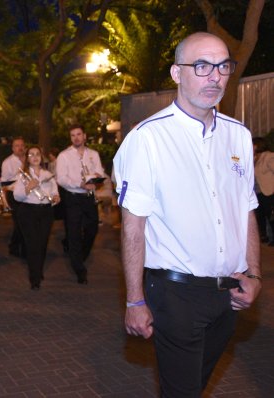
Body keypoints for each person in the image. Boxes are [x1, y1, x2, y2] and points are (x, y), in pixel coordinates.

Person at [113, 32, 262, 397]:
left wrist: (255, 274)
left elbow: (246, 208)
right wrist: (134, 301)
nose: (215, 76)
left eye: (223, 66)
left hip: (228, 292)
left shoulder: (238, 135)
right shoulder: (147, 138)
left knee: (192, 387)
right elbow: (134, 224)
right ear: (177, 73)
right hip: (175, 293)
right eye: (201, 66)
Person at [56, 125, 105, 284]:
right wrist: (80, 184)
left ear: (84, 136)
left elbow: (100, 173)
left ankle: (78, 256)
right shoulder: (64, 156)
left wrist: (95, 180)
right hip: (73, 198)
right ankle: (79, 270)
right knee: (74, 233)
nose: (76, 138)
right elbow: (61, 179)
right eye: (72, 135)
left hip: (89, 197)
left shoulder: (94, 154)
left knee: (92, 229)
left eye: (78, 134)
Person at [13, 146, 60, 290]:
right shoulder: (22, 175)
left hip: (45, 211)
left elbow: (54, 192)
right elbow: (17, 196)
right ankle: (35, 279)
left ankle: (37, 270)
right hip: (28, 212)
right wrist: (28, 187)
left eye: (37, 154)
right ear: (27, 158)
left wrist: (56, 198)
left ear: (42, 157)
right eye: (31, 154)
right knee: (33, 245)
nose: (35, 157)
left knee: (42, 244)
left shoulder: (48, 174)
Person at [1, 137, 26, 257]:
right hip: (14, 194)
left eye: (22, 145)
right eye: (17, 145)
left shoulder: (30, 159)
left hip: (27, 193)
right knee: (19, 221)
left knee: (24, 222)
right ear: (12, 148)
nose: (20, 148)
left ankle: (18, 246)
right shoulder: (7, 162)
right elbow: (5, 182)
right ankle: (15, 246)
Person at [253, 137, 274, 245]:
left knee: (270, 217)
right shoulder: (255, 158)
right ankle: (264, 237)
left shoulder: (269, 156)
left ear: (257, 145)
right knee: (260, 216)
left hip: (269, 192)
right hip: (258, 193)